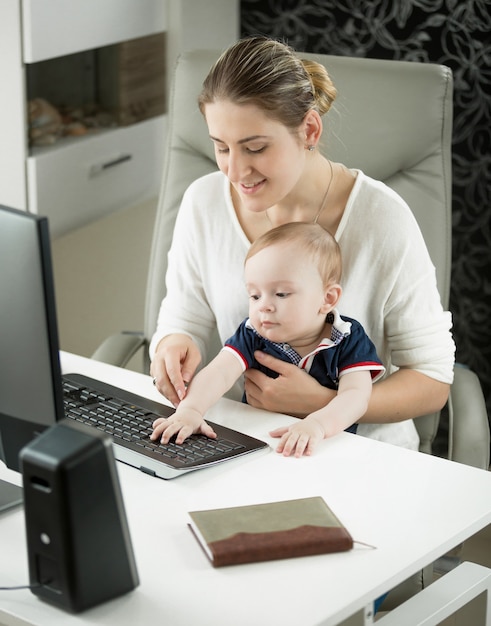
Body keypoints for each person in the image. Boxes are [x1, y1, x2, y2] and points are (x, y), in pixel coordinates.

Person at [149, 36, 455, 451]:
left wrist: (324, 404)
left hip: (364, 458)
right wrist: (172, 345)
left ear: (309, 129)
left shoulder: (382, 217)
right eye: (221, 148)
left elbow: (433, 379)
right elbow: (182, 319)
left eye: (254, 147)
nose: (235, 171)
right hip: (241, 444)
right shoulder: (203, 202)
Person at [151, 222, 385, 457]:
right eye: (254, 295)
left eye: (281, 294)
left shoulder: (348, 337)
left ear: (327, 298)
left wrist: (317, 425)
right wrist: (190, 410)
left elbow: (355, 397)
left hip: (325, 450)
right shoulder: (253, 332)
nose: (264, 306)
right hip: (256, 444)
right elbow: (219, 372)